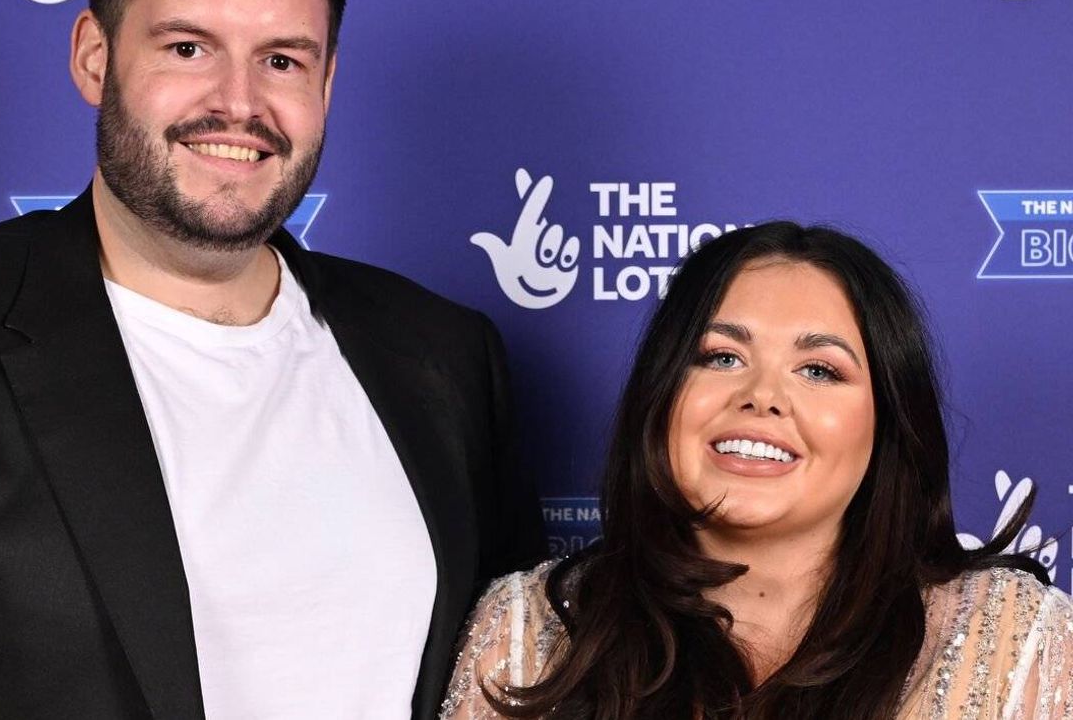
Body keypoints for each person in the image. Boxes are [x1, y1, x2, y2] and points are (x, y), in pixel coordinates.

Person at [0, 0, 544, 719]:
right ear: (94, 56)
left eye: (281, 60)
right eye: (188, 48)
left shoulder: (445, 357)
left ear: (326, 83)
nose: (239, 104)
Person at [442, 222, 1073, 719]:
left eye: (819, 370)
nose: (763, 396)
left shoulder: (1017, 639)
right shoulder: (526, 629)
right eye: (721, 357)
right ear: (660, 394)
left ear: (889, 422)